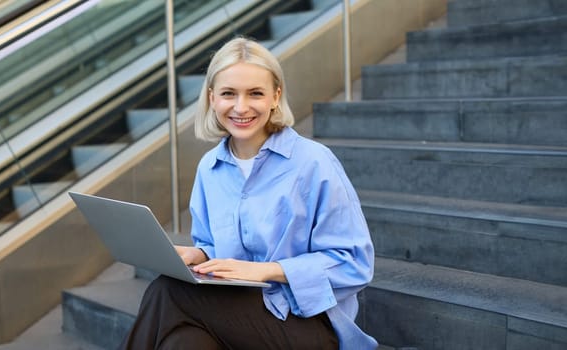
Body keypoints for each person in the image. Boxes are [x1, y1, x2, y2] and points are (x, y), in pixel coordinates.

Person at [121, 37, 377, 350]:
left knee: (168, 291)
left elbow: (354, 264)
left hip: (305, 323)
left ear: (275, 96)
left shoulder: (313, 162)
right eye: (229, 94)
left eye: (255, 93)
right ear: (213, 98)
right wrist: (197, 255)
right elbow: (213, 245)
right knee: (182, 343)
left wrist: (267, 271)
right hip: (234, 310)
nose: (241, 107)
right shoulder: (210, 168)